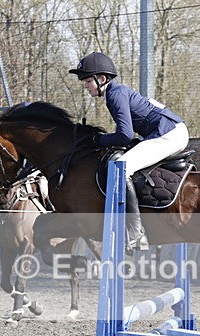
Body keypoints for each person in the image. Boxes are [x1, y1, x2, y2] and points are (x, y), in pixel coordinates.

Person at [69, 52, 189, 251]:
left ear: (101, 79)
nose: (85, 85)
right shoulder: (116, 92)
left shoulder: (114, 94)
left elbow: (124, 135)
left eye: (88, 80)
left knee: (120, 168)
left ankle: (135, 232)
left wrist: (97, 139)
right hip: (168, 131)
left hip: (169, 133)